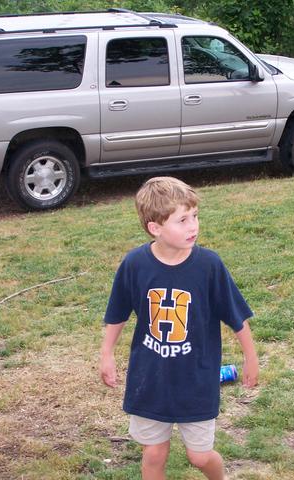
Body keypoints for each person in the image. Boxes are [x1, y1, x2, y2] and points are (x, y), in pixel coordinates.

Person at [100, 176, 259, 480]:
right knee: (154, 454)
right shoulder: (134, 264)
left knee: (199, 456)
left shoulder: (209, 265)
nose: (193, 226)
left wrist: (251, 357)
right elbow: (117, 313)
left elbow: (236, 316)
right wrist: (106, 353)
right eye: (183, 220)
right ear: (155, 228)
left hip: (196, 377)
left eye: (195, 216)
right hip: (150, 378)